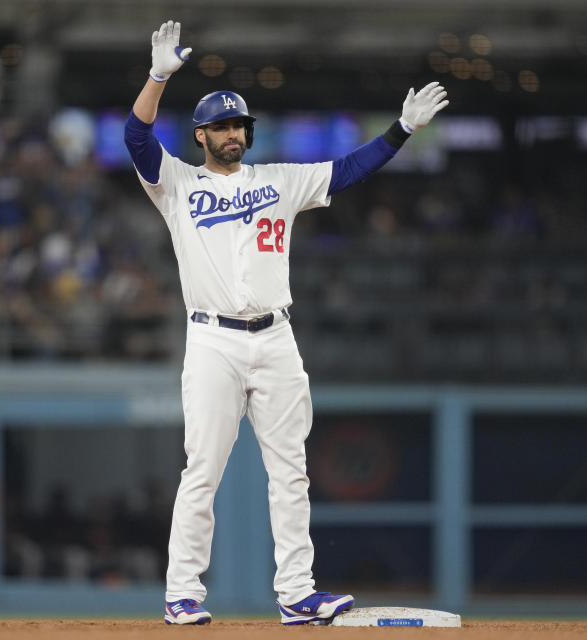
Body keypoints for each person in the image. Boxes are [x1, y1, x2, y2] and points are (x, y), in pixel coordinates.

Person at [124, 20, 448, 626]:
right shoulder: (177, 184)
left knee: (290, 471)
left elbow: (350, 170)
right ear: (200, 136)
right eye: (221, 126)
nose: (232, 133)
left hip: (276, 337)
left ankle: (298, 594)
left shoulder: (278, 181)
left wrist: (401, 131)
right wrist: (159, 75)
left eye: (239, 124)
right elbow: (136, 136)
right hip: (213, 338)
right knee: (203, 471)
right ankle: (182, 593)